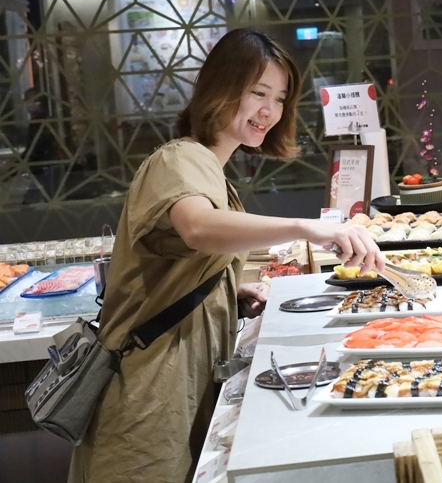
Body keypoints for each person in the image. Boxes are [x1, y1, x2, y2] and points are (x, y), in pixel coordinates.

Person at [68, 29, 386, 483]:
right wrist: (305, 227)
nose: (268, 111)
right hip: (148, 392)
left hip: (181, 383)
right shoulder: (178, 158)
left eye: (278, 98)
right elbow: (198, 228)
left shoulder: (214, 172)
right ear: (220, 88)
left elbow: (179, 261)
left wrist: (228, 291)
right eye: (257, 92)